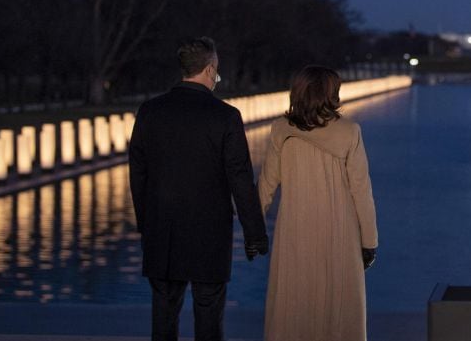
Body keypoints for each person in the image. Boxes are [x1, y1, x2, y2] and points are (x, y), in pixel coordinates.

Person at [129, 37, 269, 341]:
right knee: (209, 317)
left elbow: (138, 174)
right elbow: (240, 179)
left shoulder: (150, 111)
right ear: (209, 69)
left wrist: (146, 224)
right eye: (216, 72)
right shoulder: (225, 116)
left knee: (164, 315)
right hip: (209, 232)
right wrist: (254, 233)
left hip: (162, 230)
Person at [258, 65, 378, 341]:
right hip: (340, 233)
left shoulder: (280, 130)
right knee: (338, 308)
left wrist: (254, 228)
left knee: (294, 303)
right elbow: (361, 192)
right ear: (330, 94)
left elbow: (266, 185)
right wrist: (369, 241)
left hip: (294, 231)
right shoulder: (349, 132)